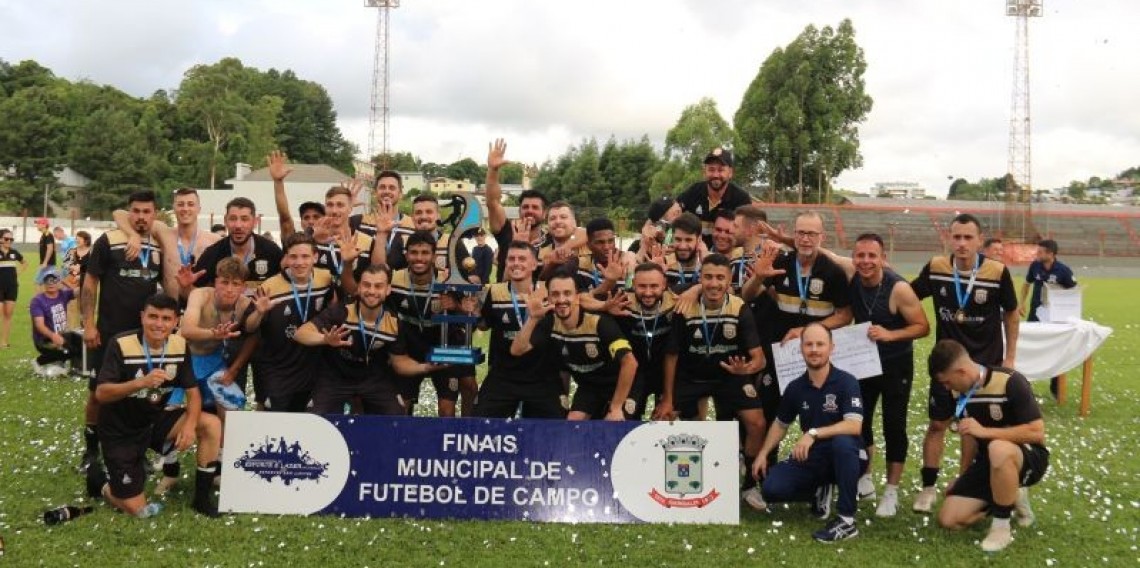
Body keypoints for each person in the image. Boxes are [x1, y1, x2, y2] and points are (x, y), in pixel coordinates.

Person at [910, 213, 1019, 513]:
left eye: (968, 237)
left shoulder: (997, 271)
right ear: (949, 238)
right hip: (947, 365)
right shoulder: (937, 267)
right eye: (956, 237)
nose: (961, 243)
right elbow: (909, 295)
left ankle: (963, 485)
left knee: (973, 429)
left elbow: (1012, 313)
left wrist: (1010, 357)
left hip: (984, 366)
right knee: (937, 424)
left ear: (979, 240)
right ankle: (928, 488)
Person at [742, 210, 852, 472]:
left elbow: (845, 315)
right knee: (770, 412)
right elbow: (747, 296)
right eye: (801, 233)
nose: (805, 239)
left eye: (811, 234)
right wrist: (758, 277)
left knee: (820, 415)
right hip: (781, 355)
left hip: (816, 356)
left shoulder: (832, 272)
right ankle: (764, 472)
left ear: (822, 237)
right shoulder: (780, 261)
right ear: (794, 234)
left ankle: (819, 475)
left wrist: (806, 331)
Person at [653, 253, 767, 506]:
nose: (714, 284)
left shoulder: (739, 308)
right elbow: (671, 356)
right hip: (692, 377)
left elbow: (759, 359)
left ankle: (749, 485)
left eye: (720, 278)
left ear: (729, 280)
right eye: (708, 277)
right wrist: (667, 399)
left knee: (757, 422)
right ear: (700, 279)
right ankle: (668, 480)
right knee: (664, 419)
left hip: (730, 376)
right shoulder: (685, 307)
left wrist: (746, 370)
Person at [94, 293, 221, 518]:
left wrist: (190, 426)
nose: (159, 324)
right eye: (153, 317)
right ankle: (99, 482)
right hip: (121, 429)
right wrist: (140, 382)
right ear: (142, 317)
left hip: (155, 420)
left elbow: (193, 393)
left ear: (176, 322)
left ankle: (201, 500)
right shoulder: (121, 343)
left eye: (166, 318)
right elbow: (101, 394)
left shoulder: (179, 345)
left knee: (211, 424)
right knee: (138, 510)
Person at [751, 323, 866, 543]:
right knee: (771, 488)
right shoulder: (795, 387)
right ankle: (819, 489)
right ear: (801, 348)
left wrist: (812, 433)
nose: (814, 350)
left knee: (842, 443)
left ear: (831, 348)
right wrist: (763, 453)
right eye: (809, 344)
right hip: (814, 456)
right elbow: (780, 424)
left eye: (820, 344)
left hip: (849, 455)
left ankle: (846, 520)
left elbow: (854, 426)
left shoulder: (846, 381)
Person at [929, 339, 1047, 552]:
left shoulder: (1010, 381)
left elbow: (1037, 433)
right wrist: (963, 476)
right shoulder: (959, 391)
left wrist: (986, 432)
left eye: (947, 382)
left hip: (1028, 457)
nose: (946, 388)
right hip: (989, 462)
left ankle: (1001, 526)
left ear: (962, 371)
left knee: (998, 448)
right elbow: (969, 435)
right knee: (949, 519)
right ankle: (1009, 497)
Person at [80, 190, 165, 478]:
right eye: (136, 211)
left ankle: (135, 452)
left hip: (144, 338)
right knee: (98, 394)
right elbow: (90, 282)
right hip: (107, 334)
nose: (141, 217)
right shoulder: (109, 241)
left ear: (155, 215)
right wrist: (88, 324)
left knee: (138, 394)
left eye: (146, 211)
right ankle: (91, 451)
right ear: (129, 213)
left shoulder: (159, 245)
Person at [847, 233, 930, 516]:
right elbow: (823, 253)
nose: (866, 261)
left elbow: (923, 326)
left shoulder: (899, 289)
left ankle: (891, 492)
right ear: (853, 257)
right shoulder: (853, 277)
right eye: (860, 255)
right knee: (859, 420)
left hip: (896, 364)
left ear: (883, 258)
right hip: (864, 362)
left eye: (872, 256)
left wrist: (890, 334)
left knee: (894, 425)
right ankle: (865, 477)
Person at [295, 264, 447, 415]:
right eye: (366, 285)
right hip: (335, 379)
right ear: (359, 288)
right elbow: (300, 333)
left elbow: (399, 362)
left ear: (388, 290)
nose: (372, 291)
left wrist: (426, 367)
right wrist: (324, 339)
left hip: (373, 379)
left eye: (378, 286)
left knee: (396, 415)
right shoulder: (340, 313)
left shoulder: (393, 323)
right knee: (314, 417)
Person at [511, 269, 638, 420]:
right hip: (589, 387)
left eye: (567, 293)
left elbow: (630, 362)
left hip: (621, 384)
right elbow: (517, 350)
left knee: (613, 424)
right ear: (549, 298)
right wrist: (532, 319)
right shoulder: (550, 322)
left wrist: (616, 407)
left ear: (578, 297)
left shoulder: (598, 322)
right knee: (572, 424)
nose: (561, 299)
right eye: (555, 294)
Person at [474, 241, 564, 418]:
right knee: (480, 424)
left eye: (522, 259)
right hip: (503, 375)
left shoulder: (548, 292)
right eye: (511, 259)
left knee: (556, 428)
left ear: (534, 264)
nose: (516, 263)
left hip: (542, 377)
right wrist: (473, 311)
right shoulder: (495, 292)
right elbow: (484, 325)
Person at [247, 233, 335, 412]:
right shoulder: (269, 287)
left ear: (315, 257)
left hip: (312, 368)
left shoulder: (325, 279)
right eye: (293, 256)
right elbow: (249, 326)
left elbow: (333, 307)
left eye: (305, 256)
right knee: (277, 422)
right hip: (278, 369)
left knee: (307, 421)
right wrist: (259, 312)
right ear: (286, 258)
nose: (299, 262)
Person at [483, 139, 587, 283]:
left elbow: (585, 233)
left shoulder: (551, 238)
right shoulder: (507, 231)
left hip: (540, 295)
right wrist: (493, 170)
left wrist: (564, 248)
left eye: (535, 207)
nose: (529, 211)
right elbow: (492, 202)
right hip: (506, 294)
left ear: (544, 213)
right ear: (519, 211)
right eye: (525, 207)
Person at [605, 263, 676, 418]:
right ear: (633, 284)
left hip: (666, 374)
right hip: (633, 373)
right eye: (642, 286)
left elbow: (704, 288)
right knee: (624, 417)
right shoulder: (621, 301)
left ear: (664, 284)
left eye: (654, 286)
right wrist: (604, 306)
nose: (648, 293)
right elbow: (582, 298)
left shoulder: (676, 299)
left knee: (666, 419)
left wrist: (693, 291)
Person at [1020, 238, 1077, 399]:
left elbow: (1074, 292)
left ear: (1051, 254)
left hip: (1055, 318)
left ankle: (1056, 388)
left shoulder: (1063, 270)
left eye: (1040, 252)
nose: (1036, 254)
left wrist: (1067, 312)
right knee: (1029, 349)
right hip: (1035, 315)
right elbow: (1026, 284)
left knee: (1056, 351)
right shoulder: (1035, 266)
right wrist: (1021, 303)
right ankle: (1025, 388)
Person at [675, 148, 754, 248]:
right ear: (704, 172)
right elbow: (673, 212)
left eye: (721, 170)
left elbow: (748, 235)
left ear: (730, 172)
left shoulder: (741, 199)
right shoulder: (694, 191)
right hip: (695, 253)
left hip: (727, 255)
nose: (716, 175)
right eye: (711, 170)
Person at [30, 267, 82, 373]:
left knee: (81, 342)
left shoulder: (63, 294)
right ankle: (39, 361)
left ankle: (72, 365)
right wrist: (53, 336)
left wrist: (84, 278)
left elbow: (79, 291)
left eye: (54, 280)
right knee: (69, 351)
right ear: (43, 282)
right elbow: (39, 325)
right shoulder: (37, 301)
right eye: (47, 280)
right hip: (45, 340)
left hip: (61, 335)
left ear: (59, 282)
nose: (51, 283)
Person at [575, 218, 637, 299]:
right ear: (588, 245)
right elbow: (577, 299)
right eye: (600, 242)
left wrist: (632, 256)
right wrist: (609, 282)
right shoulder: (579, 265)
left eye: (610, 241)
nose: (606, 247)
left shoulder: (627, 262)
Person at [0, 228, 26, 349]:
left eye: (11, 239)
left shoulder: (14, 252)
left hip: (12, 287)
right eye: (7, 239)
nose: (9, 241)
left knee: (8, 314)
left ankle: (4, 342)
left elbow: (25, 263)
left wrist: (17, 273)